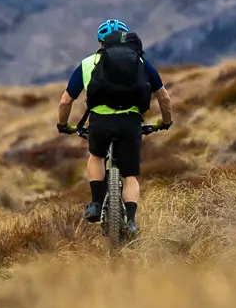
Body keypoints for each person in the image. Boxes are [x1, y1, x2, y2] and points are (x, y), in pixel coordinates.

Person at [55, 18, 173, 236]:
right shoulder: (141, 62)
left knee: (97, 157)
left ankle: (96, 204)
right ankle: (131, 221)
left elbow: (65, 101)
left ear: (101, 42)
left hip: (100, 122)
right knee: (130, 176)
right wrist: (166, 121)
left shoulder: (88, 63)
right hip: (130, 123)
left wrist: (63, 125)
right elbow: (164, 98)